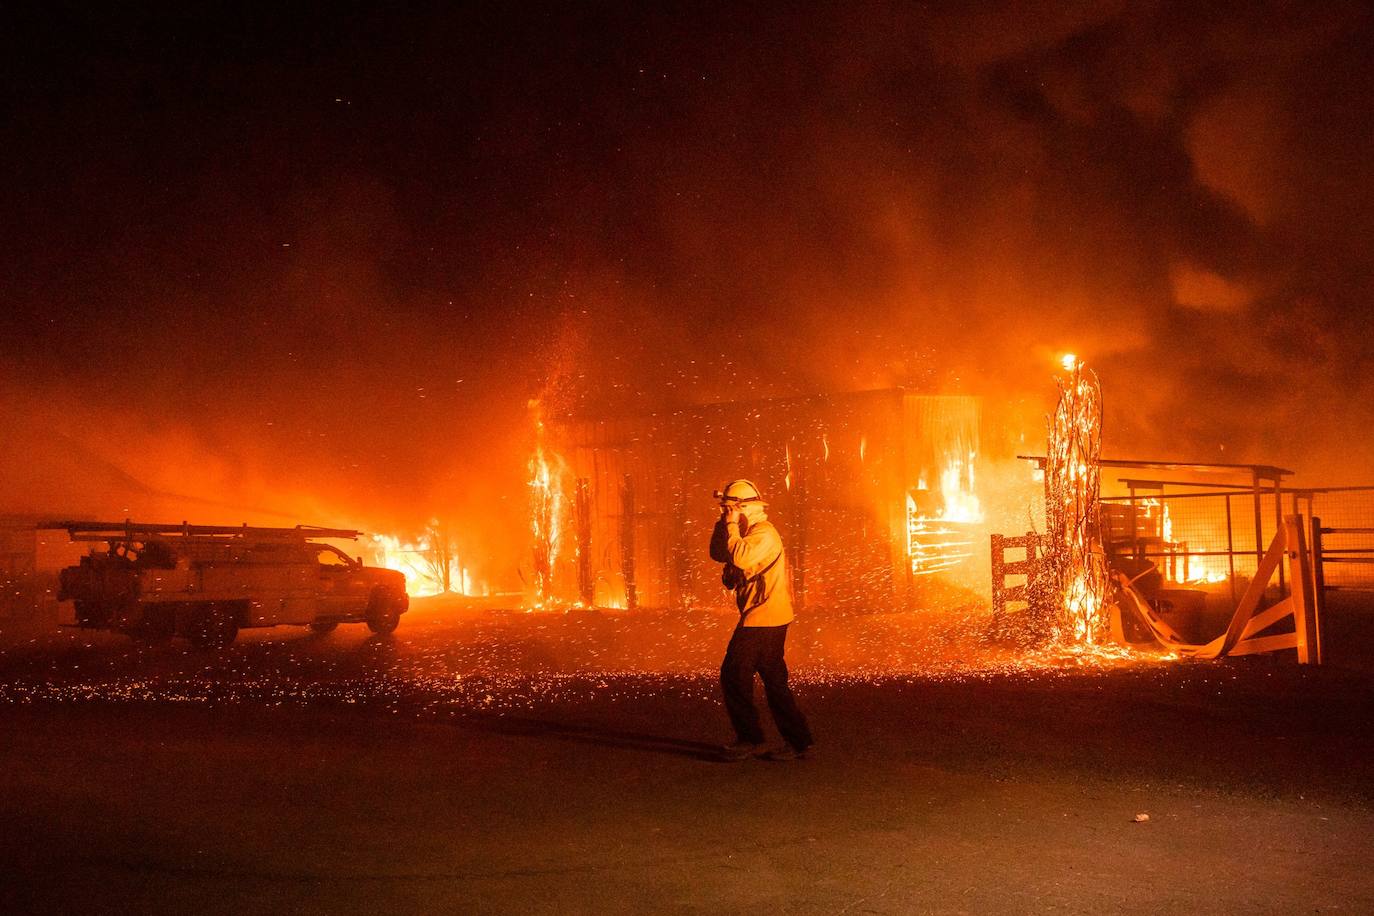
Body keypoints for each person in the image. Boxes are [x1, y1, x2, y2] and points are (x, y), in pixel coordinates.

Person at [709, 479, 814, 762]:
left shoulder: (764, 533)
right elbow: (719, 553)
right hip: (767, 616)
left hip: (763, 618)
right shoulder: (746, 531)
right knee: (774, 681)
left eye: (730, 507)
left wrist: (731, 526)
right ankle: (799, 741)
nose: (726, 512)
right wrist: (725, 523)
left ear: (744, 508)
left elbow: (740, 558)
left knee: (733, 674)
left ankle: (750, 739)